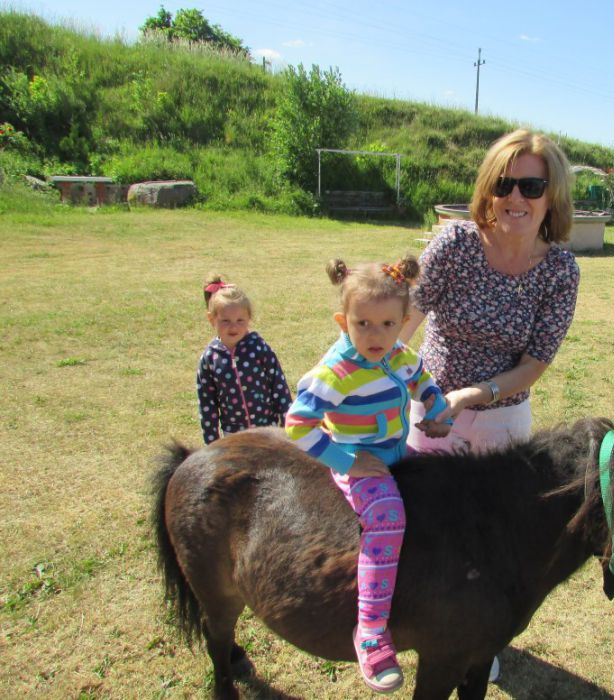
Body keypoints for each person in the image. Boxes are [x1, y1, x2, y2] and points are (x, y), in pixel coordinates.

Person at [400, 128, 580, 681]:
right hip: (432, 410)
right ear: (488, 188)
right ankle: (420, 625)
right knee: (424, 526)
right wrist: (375, 374)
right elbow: (404, 319)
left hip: (503, 418)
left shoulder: (561, 271)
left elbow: (535, 363)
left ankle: (480, 637)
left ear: (552, 195)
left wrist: (474, 395)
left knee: (497, 537)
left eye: (531, 186)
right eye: (505, 184)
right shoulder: (455, 245)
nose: (515, 197)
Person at [285, 256, 452, 694]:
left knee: (445, 489)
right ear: (343, 322)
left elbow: (420, 376)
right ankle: (372, 630)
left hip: (397, 452)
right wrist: (346, 462)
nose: (376, 336)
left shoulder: (397, 353)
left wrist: (435, 404)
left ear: (404, 322)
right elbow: (297, 425)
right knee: (387, 518)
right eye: (363, 324)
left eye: (387, 325)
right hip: (361, 461)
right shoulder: (336, 373)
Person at [196, 275, 292, 444]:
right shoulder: (210, 358)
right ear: (212, 319)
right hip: (234, 437)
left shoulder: (259, 348)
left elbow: (279, 387)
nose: (233, 326)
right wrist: (212, 444)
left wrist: (287, 429)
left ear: (249, 319)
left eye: (240, 320)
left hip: (267, 431)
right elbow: (207, 405)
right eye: (225, 321)